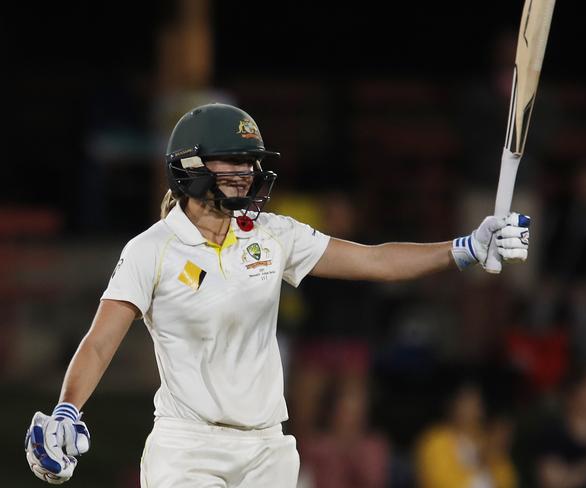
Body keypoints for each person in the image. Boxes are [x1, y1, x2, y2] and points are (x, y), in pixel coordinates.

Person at [24, 103, 531, 487]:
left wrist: (463, 247)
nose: (248, 172)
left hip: (268, 448)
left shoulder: (272, 234)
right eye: (234, 161)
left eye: (251, 162)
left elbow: (374, 260)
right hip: (187, 446)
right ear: (191, 165)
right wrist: (68, 409)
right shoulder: (150, 251)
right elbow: (99, 343)